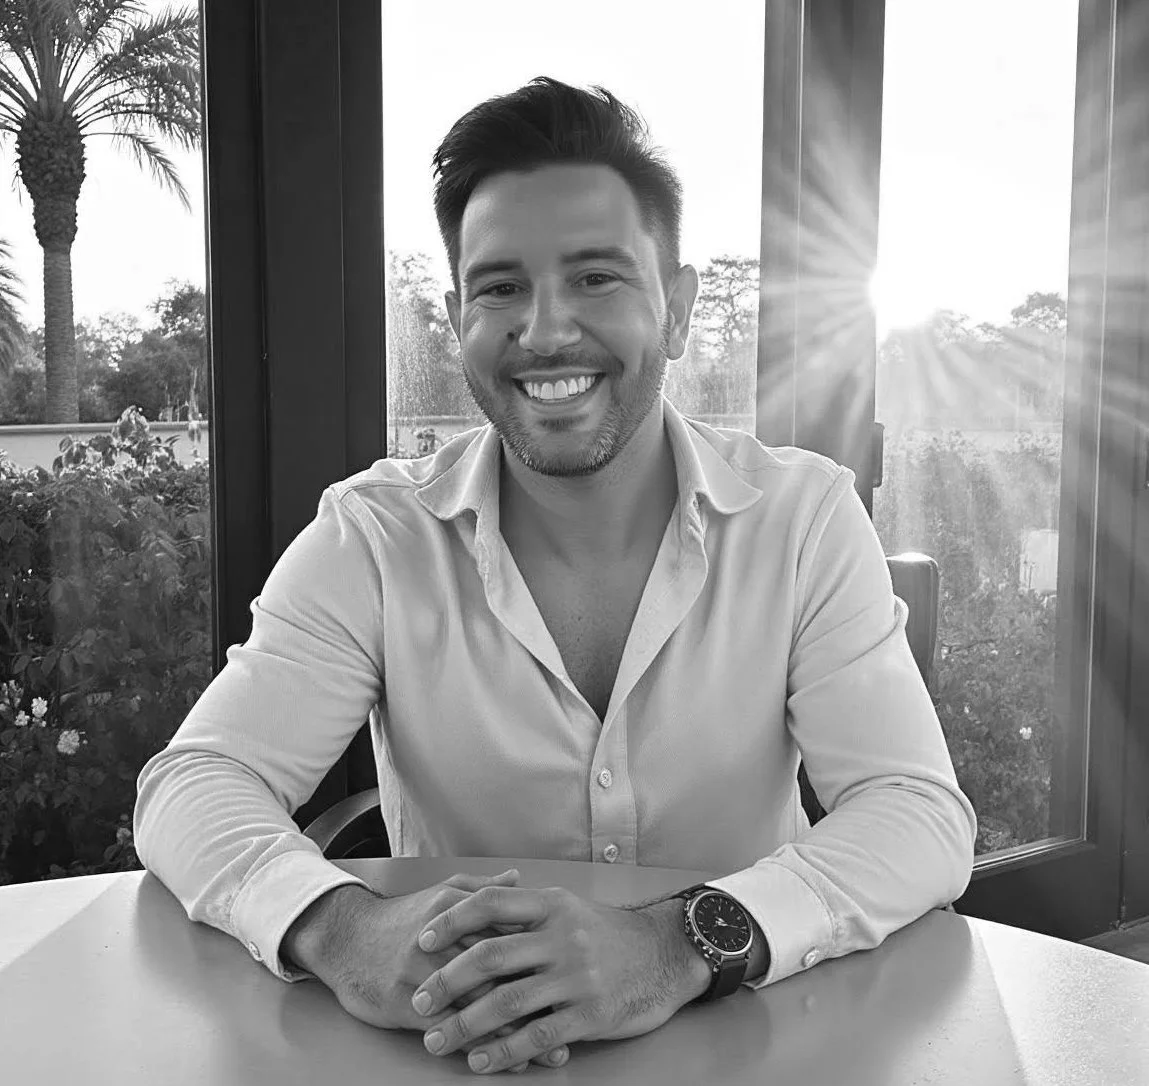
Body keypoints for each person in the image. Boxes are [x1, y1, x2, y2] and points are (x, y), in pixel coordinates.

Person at [134, 76, 977, 1076]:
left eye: (596, 278)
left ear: (676, 309)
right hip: (455, 1049)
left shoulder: (802, 517)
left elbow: (915, 812)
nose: (543, 331)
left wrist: (676, 944)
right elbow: (195, 783)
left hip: (751, 1040)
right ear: (457, 318)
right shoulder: (373, 536)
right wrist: (342, 927)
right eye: (499, 289)